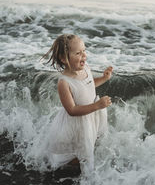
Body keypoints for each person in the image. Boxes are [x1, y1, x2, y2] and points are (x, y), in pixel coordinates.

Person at [42, 34, 112, 173]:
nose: (84, 56)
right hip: (78, 122)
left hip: (92, 114)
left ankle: (84, 161)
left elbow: (89, 85)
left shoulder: (86, 68)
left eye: (84, 51)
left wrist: (104, 78)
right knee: (81, 150)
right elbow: (72, 110)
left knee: (92, 142)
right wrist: (97, 106)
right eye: (78, 53)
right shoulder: (64, 82)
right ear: (64, 58)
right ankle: (79, 174)